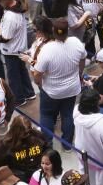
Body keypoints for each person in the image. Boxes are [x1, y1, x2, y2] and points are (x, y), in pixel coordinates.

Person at [34, 17, 87, 145]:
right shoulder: (76, 43)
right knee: (68, 115)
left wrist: (39, 84)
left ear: (53, 31)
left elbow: (37, 73)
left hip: (51, 91)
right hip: (71, 89)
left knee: (46, 116)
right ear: (67, 31)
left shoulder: (47, 49)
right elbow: (83, 58)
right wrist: (79, 73)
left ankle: (47, 143)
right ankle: (67, 144)